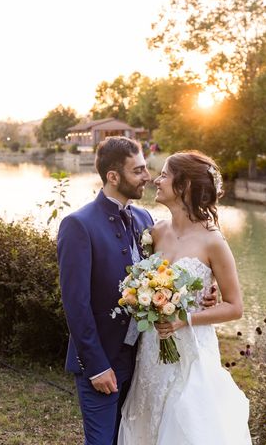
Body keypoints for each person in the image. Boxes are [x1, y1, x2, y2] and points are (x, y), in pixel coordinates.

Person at [57, 137, 216, 444]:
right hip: (102, 362)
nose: (148, 176)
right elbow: (76, 304)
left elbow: (172, 269)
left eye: (147, 168)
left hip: (143, 359)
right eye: (138, 170)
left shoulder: (145, 219)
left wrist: (205, 290)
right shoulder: (78, 225)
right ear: (113, 177)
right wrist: (96, 366)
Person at [118, 151, 252, 444]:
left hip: (191, 349)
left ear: (185, 185)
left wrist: (185, 318)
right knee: (149, 417)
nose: (156, 179)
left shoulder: (213, 241)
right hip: (153, 347)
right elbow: (145, 283)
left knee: (186, 424)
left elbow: (235, 306)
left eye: (164, 175)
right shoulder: (155, 232)